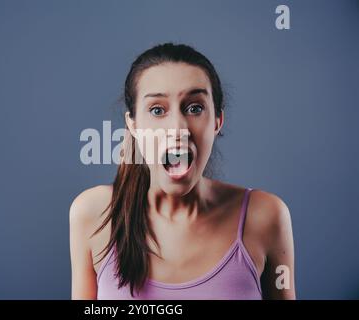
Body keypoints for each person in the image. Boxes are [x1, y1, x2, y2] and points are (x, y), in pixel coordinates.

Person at [70, 43, 295, 299]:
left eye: (195, 108)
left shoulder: (265, 215)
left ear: (218, 121)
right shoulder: (93, 214)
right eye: (157, 110)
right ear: (133, 124)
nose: (177, 128)